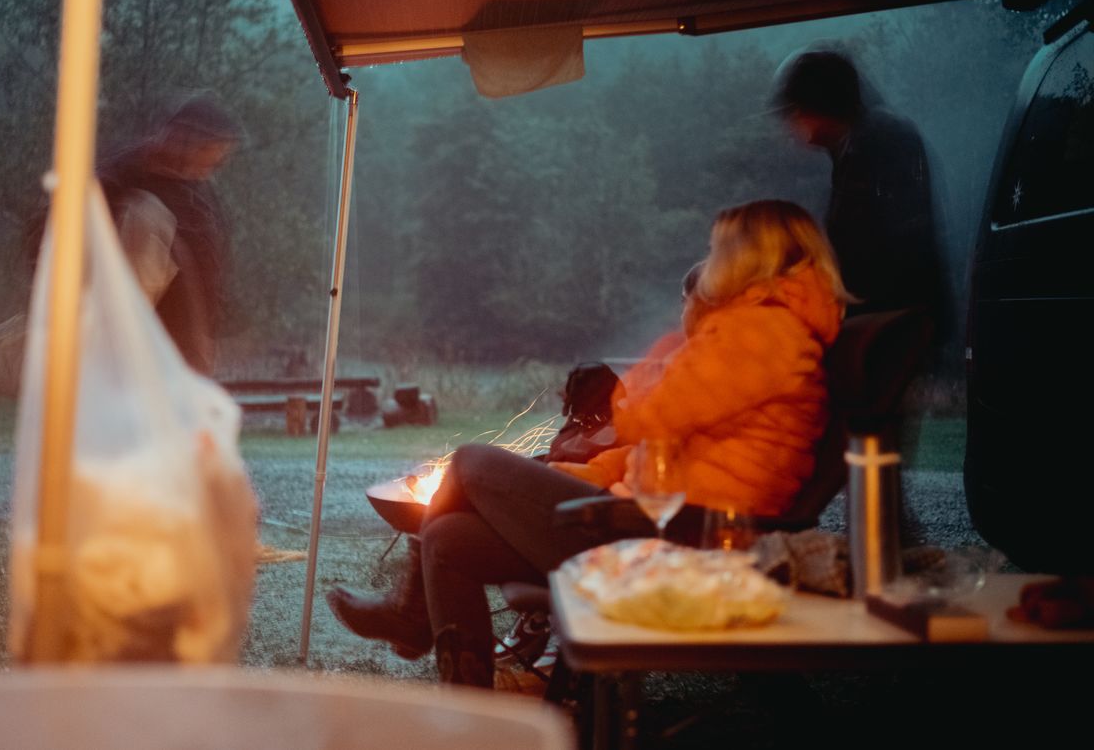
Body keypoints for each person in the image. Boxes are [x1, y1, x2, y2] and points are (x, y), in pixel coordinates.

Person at [326, 199, 848, 687]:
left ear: (747, 256)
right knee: (450, 540)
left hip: (679, 539)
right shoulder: (758, 333)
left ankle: (410, 616)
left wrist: (660, 355)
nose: (710, 262)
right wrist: (570, 476)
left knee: (471, 463)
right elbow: (656, 446)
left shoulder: (761, 335)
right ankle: (472, 712)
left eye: (718, 250)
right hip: (652, 524)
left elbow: (647, 417)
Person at [771, 47, 948, 329]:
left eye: (795, 112)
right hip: (894, 316)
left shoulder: (875, 142)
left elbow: (866, 245)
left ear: (817, 104)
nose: (791, 125)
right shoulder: (861, 141)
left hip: (894, 319)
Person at [97, 95, 239, 375]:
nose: (219, 158)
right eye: (214, 148)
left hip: (188, 333)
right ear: (190, 142)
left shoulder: (197, 188)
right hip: (149, 335)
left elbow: (206, 251)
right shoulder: (134, 186)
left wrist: (213, 317)